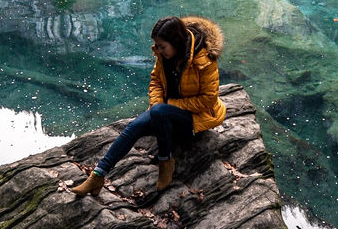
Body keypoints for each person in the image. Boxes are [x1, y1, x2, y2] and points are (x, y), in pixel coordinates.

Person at [70, 15, 225, 197]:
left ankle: (165, 162)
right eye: (157, 46)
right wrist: (157, 104)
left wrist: (168, 105)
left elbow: (208, 100)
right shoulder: (164, 55)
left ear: (176, 42)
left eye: (162, 46)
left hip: (196, 117)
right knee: (134, 126)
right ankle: (97, 176)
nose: (158, 50)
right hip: (164, 112)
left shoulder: (205, 60)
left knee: (159, 112)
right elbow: (156, 81)